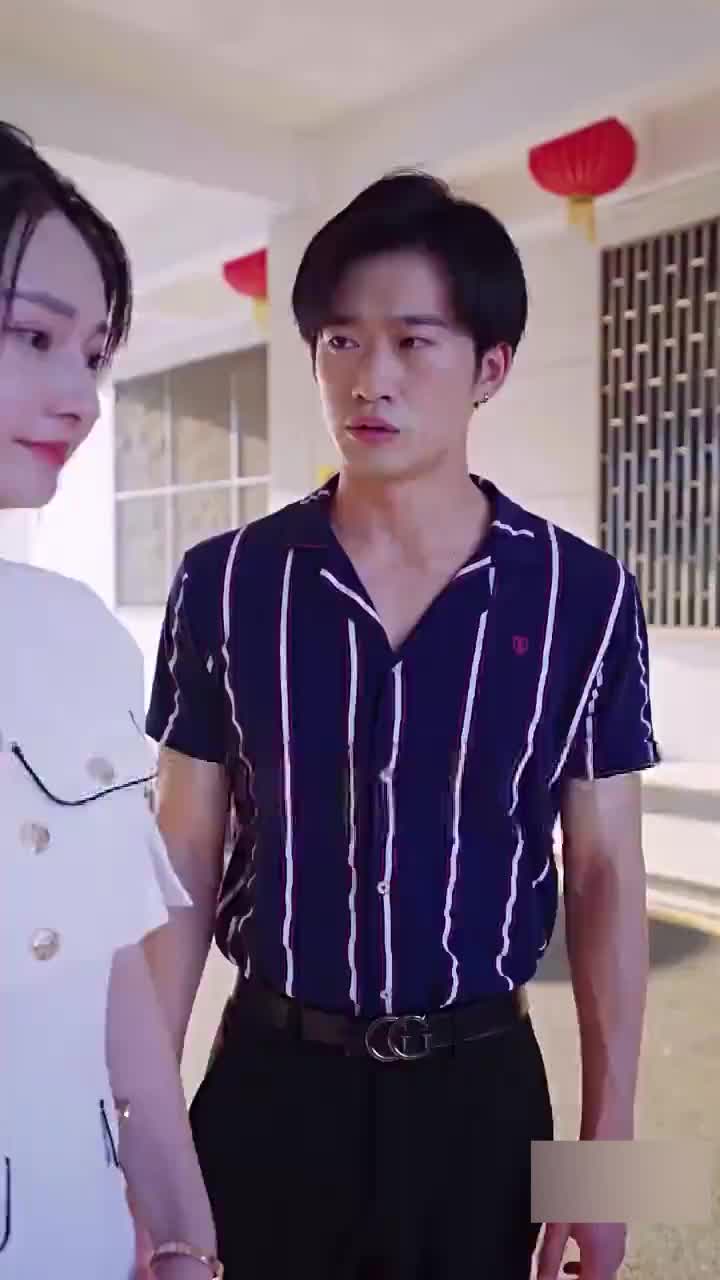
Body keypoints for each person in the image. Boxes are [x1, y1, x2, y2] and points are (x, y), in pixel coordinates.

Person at [145, 172, 659, 1280]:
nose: (368, 378)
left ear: (491, 368)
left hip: (481, 1092)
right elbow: (181, 854)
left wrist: (608, 1172)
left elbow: (607, 873)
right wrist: (141, 1146)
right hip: (271, 1082)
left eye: (413, 342)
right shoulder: (227, 581)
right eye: (340, 340)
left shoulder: (584, 597)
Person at [0, 122, 223, 1279]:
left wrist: (180, 1227)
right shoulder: (236, 582)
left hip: (79, 1234)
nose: (82, 398)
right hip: (280, 1069)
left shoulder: (78, 633)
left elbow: (113, 953)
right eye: (34, 335)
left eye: (92, 353)